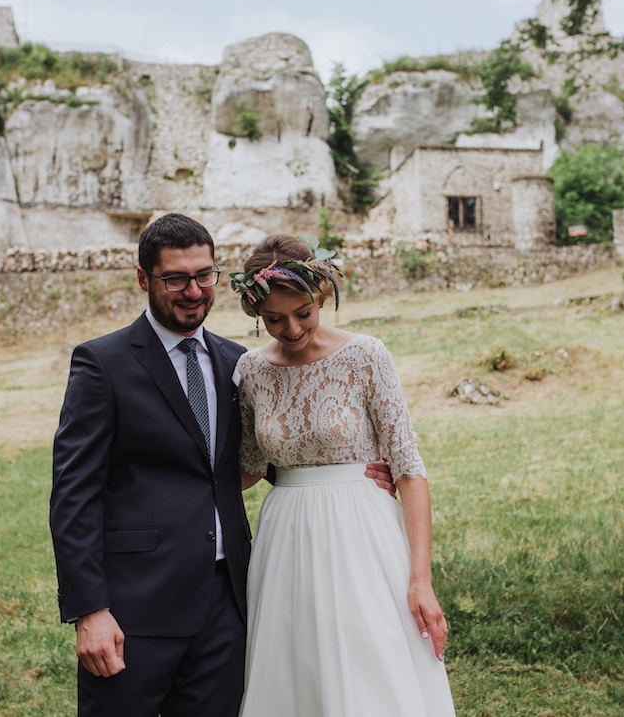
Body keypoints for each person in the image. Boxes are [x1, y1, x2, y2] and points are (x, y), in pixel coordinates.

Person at [50, 214, 393, 717]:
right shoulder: (103, 363)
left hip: (229, 604)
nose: (193, 291)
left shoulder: (240, 363)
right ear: (143, 278)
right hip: (134, 610)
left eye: (203, 275)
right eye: (175, 279)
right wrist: (90, 610)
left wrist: (357, 468)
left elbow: (266, 452)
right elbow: (73, 495)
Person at [232, 234, 457, 717]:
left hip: (362, 530)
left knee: (370, 664)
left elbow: (409, 469)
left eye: (303, 313)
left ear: (322, 295)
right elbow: (248, 467)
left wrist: (421, 579)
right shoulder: (250, 370)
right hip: (285, 536)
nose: (291, 328)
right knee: (295, 671)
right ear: (255, 312)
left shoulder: (366, 356)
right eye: (274, 318)